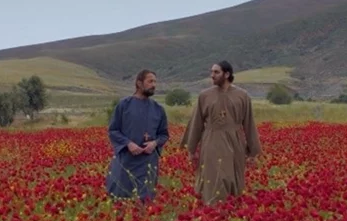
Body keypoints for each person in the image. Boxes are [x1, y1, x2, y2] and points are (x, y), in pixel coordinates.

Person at [180, 60, 262, 205]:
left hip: (235, 142)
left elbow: (249, 123)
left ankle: (232, 210)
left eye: (216, 72)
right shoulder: (204, 96)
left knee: (233, 177)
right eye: (211, 72)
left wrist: (253, 152)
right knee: (212, 177)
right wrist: (191, 149)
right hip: (211, 141)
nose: (212, 75)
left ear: (227, 74)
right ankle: (212, 209)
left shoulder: (242, 96)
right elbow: (196, 123)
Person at [105, 69, 169, 201]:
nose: (154, 85)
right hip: (126, 160)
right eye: (150, 81)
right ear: (139, 83)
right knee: (122, 197)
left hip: (148, 162)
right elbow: (113, 130)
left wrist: (154, 143)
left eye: (155, 82)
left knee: (145, 200)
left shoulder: (158, 109)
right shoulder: (124, 105)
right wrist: (128, 144)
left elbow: (163, 134)